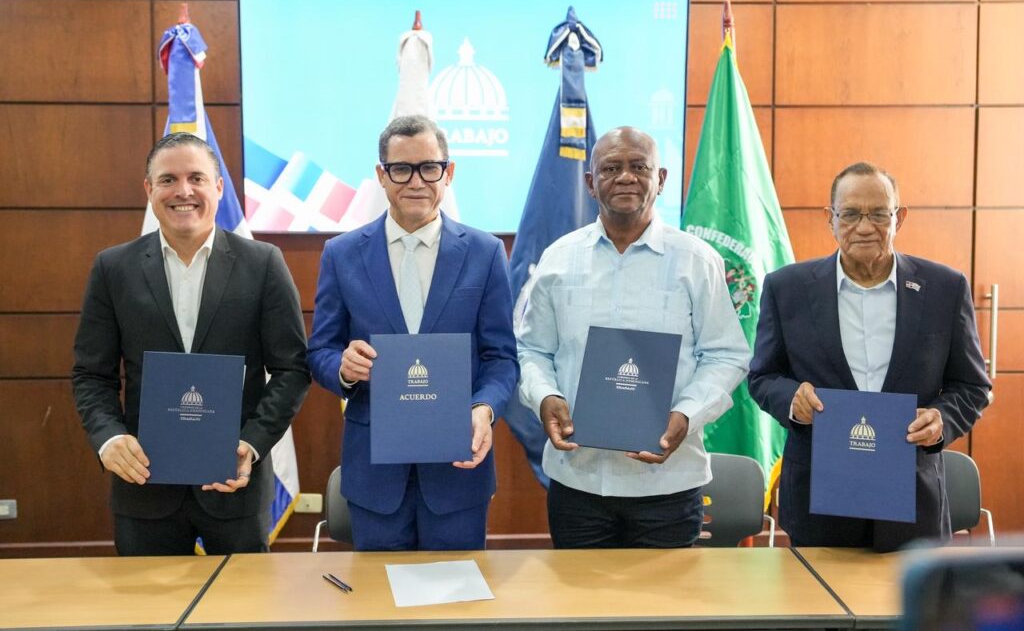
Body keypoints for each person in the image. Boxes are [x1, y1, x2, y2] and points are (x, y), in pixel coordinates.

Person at [72, 132, 310, 556]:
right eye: (168, 180)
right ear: (149, 189)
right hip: (144, 486)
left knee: (241, 601)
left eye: (196, 178)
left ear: (218, 188)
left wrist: (252, 444)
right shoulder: (113, 268)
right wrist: (109, 439)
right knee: (146, 601)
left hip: (234, 484)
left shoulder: (263, 264)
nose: (183, 191)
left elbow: (292, 369)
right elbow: (92, 374)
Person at [517, 126, 750, 549]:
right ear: (591, 183)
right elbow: (532, 349)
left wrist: (686, 414)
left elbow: (726, 355)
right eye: (611, 168)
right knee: (579, 593)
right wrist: (545, 396)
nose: (626, 177)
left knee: (664, 595)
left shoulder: (696, 261)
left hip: (669, 483)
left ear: (660, 179)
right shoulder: (558, 259)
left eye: (639, 167)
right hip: (577, 481)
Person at [749, 161, 991, 552]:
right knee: (818, 593)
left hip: (912, 503)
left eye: (879, 214)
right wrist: (792, 400)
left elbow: (972, 386)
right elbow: (762, 376)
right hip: (819, 501)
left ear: (900, 218)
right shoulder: (786, 288)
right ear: (830, 219)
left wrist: (942, 419)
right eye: (850, 214)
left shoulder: (944, 288)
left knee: (905, 596)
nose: (864, 227)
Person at [307, 115, 518, 551]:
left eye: (429, 168)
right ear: (381, 175)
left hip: (458, 469)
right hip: (375, 473)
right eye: (401, 169)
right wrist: (343, 368)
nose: (416, 181)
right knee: (376, 593)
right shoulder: (342, 254)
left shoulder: (485, 253)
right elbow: (320, 350)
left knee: (456, 591)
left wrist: (484, 408)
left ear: (449, 172)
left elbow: (501, 358)